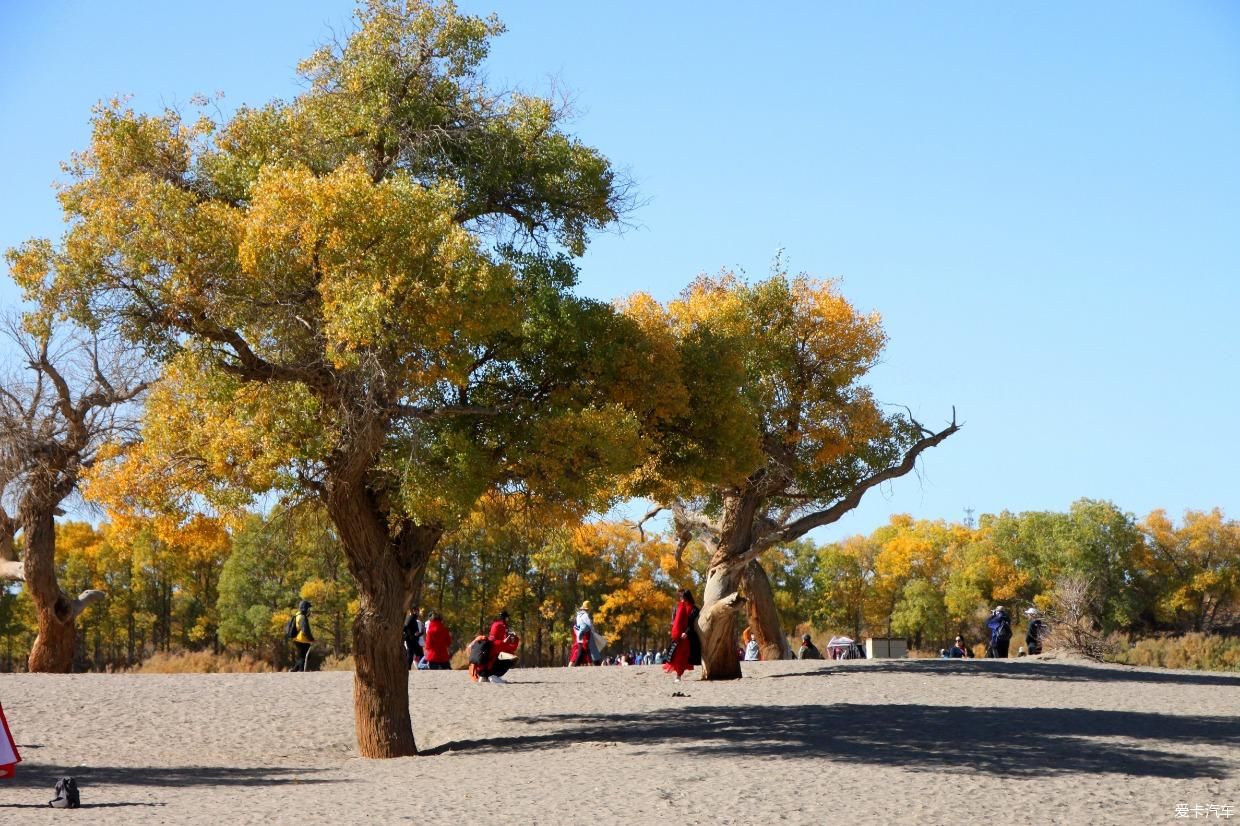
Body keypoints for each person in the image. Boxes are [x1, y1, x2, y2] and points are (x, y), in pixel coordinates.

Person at [662, 589, 700, 682]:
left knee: (682, 656)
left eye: (682, 597)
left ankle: (679, 675)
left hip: (688, 636)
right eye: (680, 597)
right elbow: (674, 620)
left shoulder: (694, 609)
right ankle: (676, 672)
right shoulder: (677, 607)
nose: (681, 599)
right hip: (677, 635)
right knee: (674, 654)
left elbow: (692, 624)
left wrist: (686, 632)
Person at [480, 610, 520, 684]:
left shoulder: (489, 640)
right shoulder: (498, 643)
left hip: (482, 671)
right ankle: (495, 676)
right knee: (512, 658)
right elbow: (513, 648)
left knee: (495, 657)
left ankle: (484, 677)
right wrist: (516, 639)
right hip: (490, 669)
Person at [289, 600, 314, 672]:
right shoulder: (302, 617)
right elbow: (305, 630)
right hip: (302, 639)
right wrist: (311, 639)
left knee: (301, 656)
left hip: (297, 639)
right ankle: (300, 670)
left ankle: (295, 669)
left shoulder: (297, 615)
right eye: (308, 608)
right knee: (304, 656)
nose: (309, 610)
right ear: (305, 608)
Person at [569, 601, 595, 667]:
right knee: (584, 651)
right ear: (588, 609)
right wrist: (593, 631)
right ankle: (590, 666)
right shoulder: (585, 615)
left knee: (578, 651)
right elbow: (590, 625)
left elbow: (576, 626)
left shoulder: (579, 615)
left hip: (579, 635)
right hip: (584, 636)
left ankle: (571, 666)